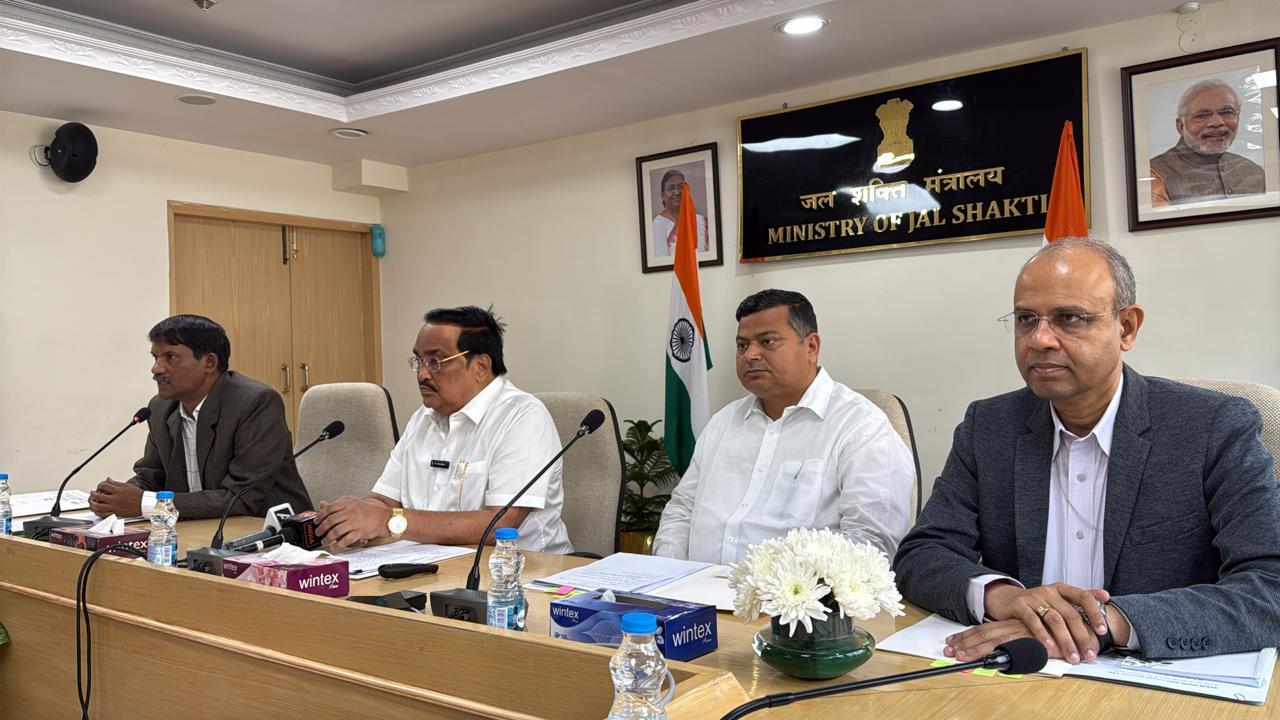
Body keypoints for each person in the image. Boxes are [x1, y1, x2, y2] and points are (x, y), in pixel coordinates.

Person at [894, 238, 1280, 664]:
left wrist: (1102, 622)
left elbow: (1270, 586)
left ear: (1126, 328)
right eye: (1026, 319)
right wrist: (1004, 597)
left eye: (1070, 318)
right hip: (1022, 671)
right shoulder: (989, 426)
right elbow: (921, 555)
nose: (1040, 338)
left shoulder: (1212, 427)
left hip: (1152, 678)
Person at [652, 289, 915, 564]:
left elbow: (871, 546)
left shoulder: (861, 427)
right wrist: (669, 575)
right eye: (742, 345)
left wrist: (775, 587)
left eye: (767, 341)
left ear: (811, 347)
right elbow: (681, 512)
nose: (750, 355)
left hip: (796, 592)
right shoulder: (723, 423)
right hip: (693, 587)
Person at [315, 306, 572, 553]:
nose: (422, 374)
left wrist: (385, 521)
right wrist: (355, 522)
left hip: (520, 572)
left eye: (436, 361)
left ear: (481, 367)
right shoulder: (422, 419)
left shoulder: (523, 417)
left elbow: (499, 525)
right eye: (419, 361)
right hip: (431, 567)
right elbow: (383, 501)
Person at [88, 315, 312, 520]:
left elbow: (242, 497)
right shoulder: (161, 408)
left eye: (170, 357)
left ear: (209, 363)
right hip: (197, 527)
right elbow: (151, 477)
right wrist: (113, 498)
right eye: (156, 357)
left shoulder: (255, 402)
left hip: (269, 533)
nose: (156, 369)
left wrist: (145, 504)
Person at [1149, 79, 1265, 206]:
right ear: (1181, 126)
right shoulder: (1154, 175)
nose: (1217, 122)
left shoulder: (1254, 172)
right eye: (1201, 115)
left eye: (1227, 112)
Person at [652, 169, 709, 257]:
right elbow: (662, 261)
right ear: (662, 195)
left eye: (681, 187)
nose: (677, 192)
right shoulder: (658, 225)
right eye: (671, 188)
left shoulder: (701, 221)